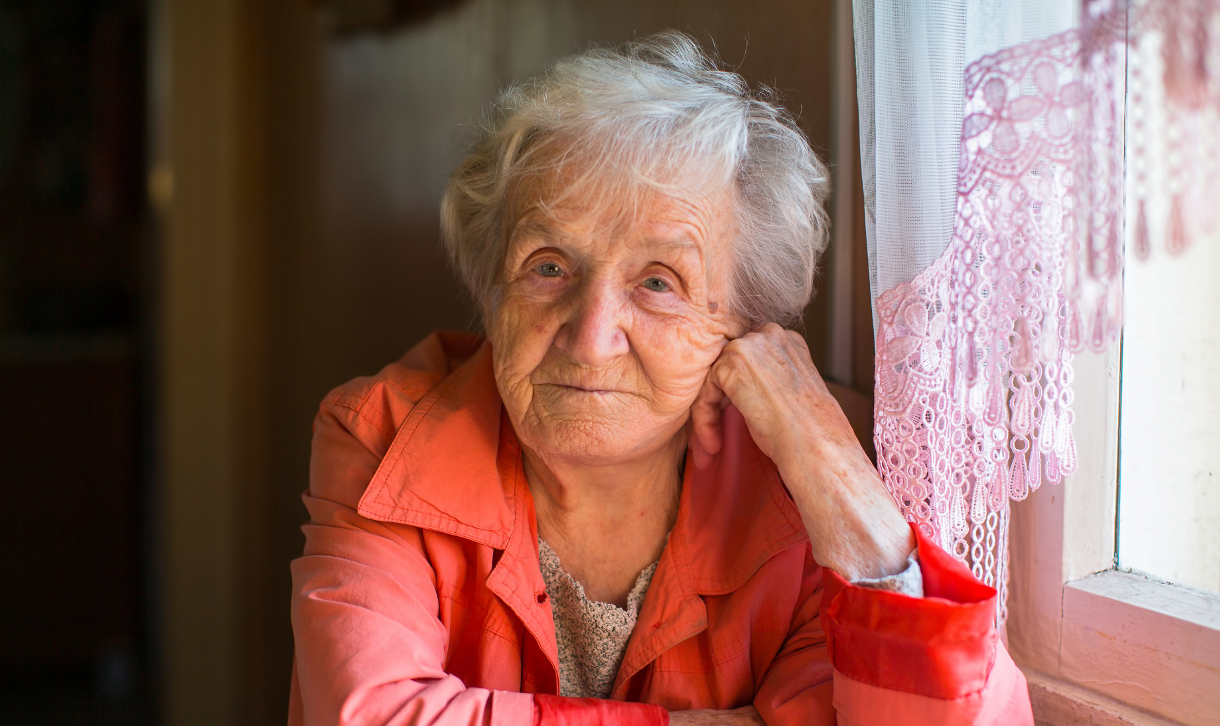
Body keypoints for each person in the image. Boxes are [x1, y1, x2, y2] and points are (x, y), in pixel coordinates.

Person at [289, 32, 1032, 726]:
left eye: (658, 283)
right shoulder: (384, 436)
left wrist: (849, 495)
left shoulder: (795, 483)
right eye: (548, 267)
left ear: (740, 326)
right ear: (492, 288)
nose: (590, 337)